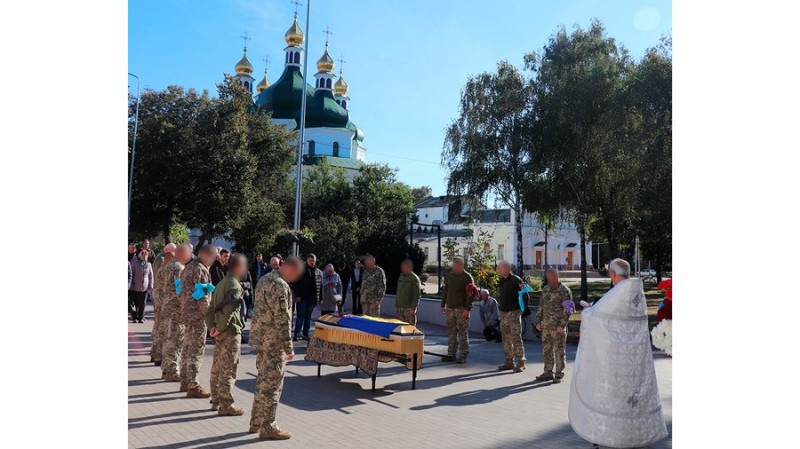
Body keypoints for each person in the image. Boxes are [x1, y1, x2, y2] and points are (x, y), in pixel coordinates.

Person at [569, 259, 668, 448]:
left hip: (614, 363)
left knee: (613, 400)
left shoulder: (616, 293)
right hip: (635, 363)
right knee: (632, 401)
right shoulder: (636, 293)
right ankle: (638, 436)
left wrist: (587, 312)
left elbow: (596, 318)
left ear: (613, 274)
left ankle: (612, 437)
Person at [249, 256, 302, 440]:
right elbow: (283, 320)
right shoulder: (281, 285)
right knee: (272, 385)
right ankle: (268, 427)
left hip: (261, 340)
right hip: (274, 343)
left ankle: (255, 421)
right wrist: (289, 347)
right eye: (296, 272)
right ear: (288, 268)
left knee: (262, 380)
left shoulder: (264, 279)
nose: (297, 277)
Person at [206, 253, 248, 416]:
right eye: (243, 265)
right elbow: (229, 310)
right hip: (229, 332)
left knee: (217, 367)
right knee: (228, 369)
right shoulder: (234, 286)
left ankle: (216, 400)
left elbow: (210, 309)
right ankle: (226, 404)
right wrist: (220, 328)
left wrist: (212, 327)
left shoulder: (222, 283)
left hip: (219, 331)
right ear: (237, 267)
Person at [178, 244, 218, 398]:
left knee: (187, 348)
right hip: (197, 316)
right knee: (195, 350)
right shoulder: (201, 270)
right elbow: (203, 297)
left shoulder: (188, 267)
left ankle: (185, 380)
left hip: (187, 314)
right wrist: (211, 320)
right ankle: (193, 385)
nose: (214, 260)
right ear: (207, 255)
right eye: (214, 257)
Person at [535, 267, 572, 382]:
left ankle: (559, 373)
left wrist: (563, 325)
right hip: (546, 326)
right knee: (546, 350)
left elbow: (568, 309)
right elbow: (541, 306)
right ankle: (548, 372)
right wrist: (539, 321)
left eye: (551, 278)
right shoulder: (546, 289)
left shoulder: (564, 291)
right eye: (548, 278)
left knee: (559, 351)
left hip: (558, 327)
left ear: (556, 276)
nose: (549, 280)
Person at [160, 244, 191, 382]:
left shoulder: (167, 266)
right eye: (189, 253)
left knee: (168, 339)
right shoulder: (179, 268)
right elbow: (180, 290)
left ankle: (166, 369)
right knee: (176, 340)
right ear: (182, 253)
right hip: (176, 309)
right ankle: (171, 371)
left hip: (166, 307)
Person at [440, 256, 474, 363]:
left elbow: (470, 294)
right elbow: (446, 291)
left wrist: (467, 309)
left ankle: (463, 354)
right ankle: (451, 354)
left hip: (461, 309)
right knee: (451, 332)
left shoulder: (467, 277)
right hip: (450, 308)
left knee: (462, 332)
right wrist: (443, 304)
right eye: (454, 265)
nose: (456, 267)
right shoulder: (449, 276)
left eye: (458, 265)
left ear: (462, 265)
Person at [496, 260, 528, 373]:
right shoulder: (501, 281)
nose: (498, 270)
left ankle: (521, 361)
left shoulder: (516, 280)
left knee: (515, 336)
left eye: (500, 268)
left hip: (514, 312)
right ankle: (509, 361)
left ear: (506, 268)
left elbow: (525, 294)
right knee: (506, 337)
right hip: (504, 312)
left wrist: (522, 310)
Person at [150, 250, 175, 365]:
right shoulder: (167, 270)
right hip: (164, 305)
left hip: (160, 304)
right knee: (162, 331)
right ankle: (158, 355)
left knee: (158, 329)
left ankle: (155, 353)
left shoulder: (162, 269)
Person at [291, 254, 322, 341]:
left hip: (312, 298)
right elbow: (295, 284)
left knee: (308, 317)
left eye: (314, 261)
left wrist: (320, 298)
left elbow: (320, 286)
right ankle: (297, 334)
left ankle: (305, 334)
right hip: (302, 298)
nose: (312, 262)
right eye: (310, 261)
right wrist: (297, 296)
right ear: (307, 260)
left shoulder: (318, 272)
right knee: (300, 316)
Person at [129, 250, 154, 323]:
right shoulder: (135, 263)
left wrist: (151, 285)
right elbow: (131, 275)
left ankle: (141, 317)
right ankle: (134, 317)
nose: (145, 257)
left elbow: (151, 275)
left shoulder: (148, 264)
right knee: (135, 304)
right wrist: (131, 285)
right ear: (140, 255)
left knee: (142, 304)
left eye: (146, 255)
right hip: (135, 287)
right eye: (143, 255)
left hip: (144, 287)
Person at [395, 259, 421, 325]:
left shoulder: (414, 278)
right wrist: (396, 305)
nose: (403, 269)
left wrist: (413, 307)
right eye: (402, 267)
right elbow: (398, 292)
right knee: (401, 328)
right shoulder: (401, 277)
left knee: (410, 329)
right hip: (400, 308)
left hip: (409, 309)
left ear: (409, 267)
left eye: (405, 267)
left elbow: (416, 295)